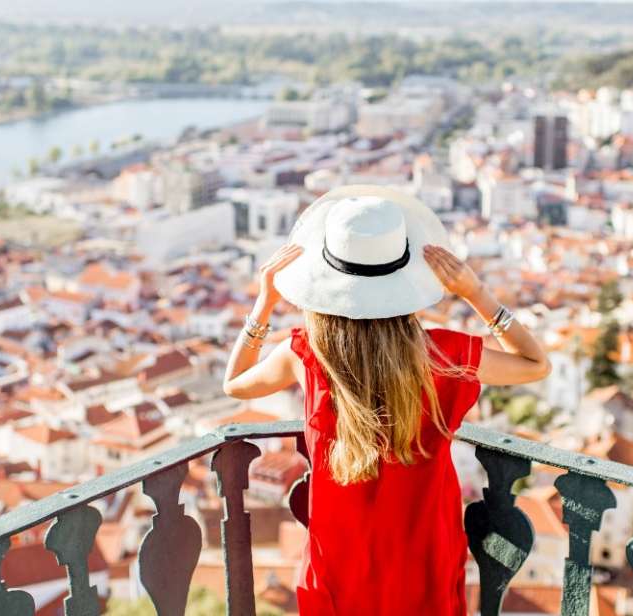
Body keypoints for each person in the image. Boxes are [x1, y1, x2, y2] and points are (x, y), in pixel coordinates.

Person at [222, 185, 551, 615]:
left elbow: (236, 382)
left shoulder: (306, 353)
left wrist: (264, 303)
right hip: (423, 550)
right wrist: (476, 294)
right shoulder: (443, 355)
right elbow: (534, 364)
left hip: (338, 556)